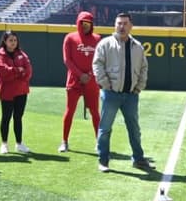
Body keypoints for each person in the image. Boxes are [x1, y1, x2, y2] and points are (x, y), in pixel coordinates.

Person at [92, 12, 151, 173]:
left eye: (125, 23)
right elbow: (97, 64)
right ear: (114, 25)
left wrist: (139, 87)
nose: (121, 26)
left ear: (131, 26)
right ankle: (103, 160)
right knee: (105, 128)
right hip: (111, 94)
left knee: (134, 129)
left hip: (131, 95)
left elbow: (144, 68)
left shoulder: (137, 46)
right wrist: (105, 84)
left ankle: (138, 159)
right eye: (119, 23)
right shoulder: (105, 44)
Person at [60, 11, 101, 153]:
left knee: (95, 112)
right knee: (70, 111)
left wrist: (89, 74)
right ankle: (64, 141)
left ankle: (99, 142)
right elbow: (67, 60)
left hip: (91, 80)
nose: (85, 26)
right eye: (83, 23)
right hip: (74, 80)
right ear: (78, 23)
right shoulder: (70, 38)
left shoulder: (97, 39)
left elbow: (99, 60)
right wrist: (80, 74)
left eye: (88, 23)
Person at [0, 30, 33, 154]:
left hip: (21, 91)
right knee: (6, 117)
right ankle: (4, 144)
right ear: (5, 41)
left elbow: (28, 71)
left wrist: (18, 72)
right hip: (7, 92)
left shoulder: (22, 54)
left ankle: (19, 143)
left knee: (18, 117)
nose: (13, 43)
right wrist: (18, 71)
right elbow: (3, 72)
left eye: (15, 40)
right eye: (10, 40)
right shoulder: (0, 55)